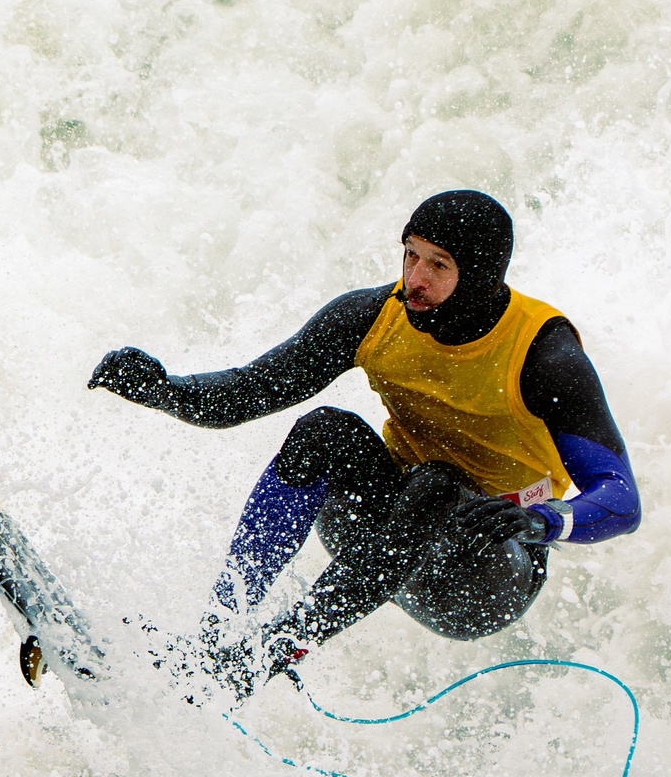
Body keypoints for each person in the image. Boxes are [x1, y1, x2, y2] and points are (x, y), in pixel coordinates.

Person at [87, 189, 639, 700]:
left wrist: (544, 520)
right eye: (410, 254)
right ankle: (216, 636)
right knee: (325, 429)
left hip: (481, 574)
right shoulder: (375, 316)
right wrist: (163, 391)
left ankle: (260, 660)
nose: (415, 279)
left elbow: (621, 498)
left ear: (477, 277)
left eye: (438, 265)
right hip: (382, 532)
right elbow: (245, 393)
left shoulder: (544, 356)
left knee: (438, 483)